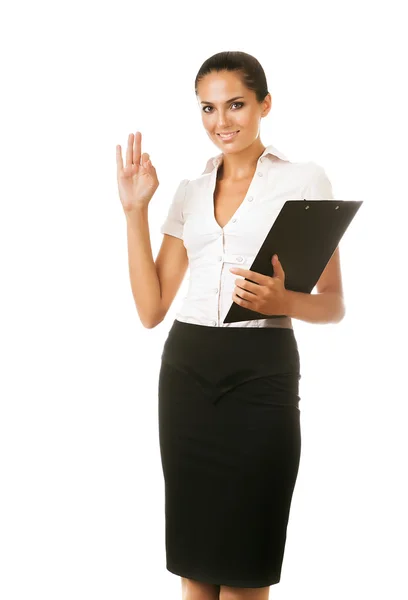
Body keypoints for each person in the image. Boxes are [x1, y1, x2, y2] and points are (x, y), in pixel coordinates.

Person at [116, 51, 345, 600]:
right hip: (188, 371)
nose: (222, 121)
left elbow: (333, 303)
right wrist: (133, 212)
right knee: (195, 568)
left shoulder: (304, 179)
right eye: (209, 108)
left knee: (245, 568)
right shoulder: (190, 192)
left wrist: (283, 299)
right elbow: (151, 310)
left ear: (265, 104)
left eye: (236, 104)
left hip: (261, 373)